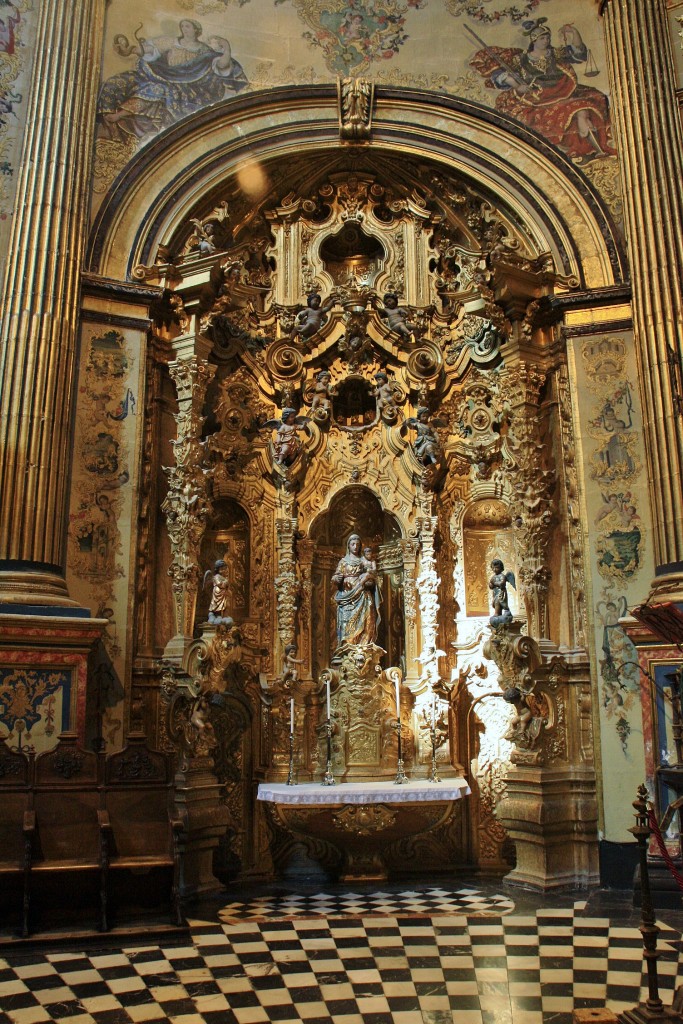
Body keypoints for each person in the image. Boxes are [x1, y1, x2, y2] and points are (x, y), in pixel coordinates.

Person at [470, 18, 616, 162]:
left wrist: (574, 32)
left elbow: (579, 53)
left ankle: (599, 150)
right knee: (574, 110)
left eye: (547, 38)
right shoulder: (521, 59)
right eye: (542, 38)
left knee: (583, 109)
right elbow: (499, 76)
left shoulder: (555, 54)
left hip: (564, 92)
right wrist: (517, 86)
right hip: (537, 98)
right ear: (534, 40)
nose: (546, 41)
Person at [98, 19, 248, 143]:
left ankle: (119, 115)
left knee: (157, 90)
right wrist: (129, 50)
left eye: (188, 26)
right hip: (162, 75)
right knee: (121, 81)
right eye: (183, 26)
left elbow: (222, 65)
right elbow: (149, 50)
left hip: (187, 88)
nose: (184, 29)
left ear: (196, 30)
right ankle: (110, 123)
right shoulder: (170, 41)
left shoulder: (204, 51)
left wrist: (226, 48)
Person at [332, 534, 381, 649]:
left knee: (368, 619)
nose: (355, 547)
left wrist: (369, 580)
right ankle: (348, 648)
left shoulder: (363, 561)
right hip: (347, 595)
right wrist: (336, 579)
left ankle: (364, 647)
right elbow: (336, 576)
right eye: (353, 544)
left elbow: (373, 576)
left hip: (363, 594)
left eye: (358, 545)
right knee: (348, 622)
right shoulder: (343, 561)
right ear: (348, 546)